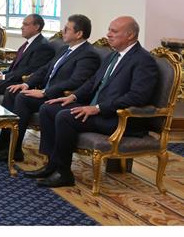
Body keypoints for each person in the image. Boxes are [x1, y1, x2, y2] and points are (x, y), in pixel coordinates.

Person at [26, 16, 158, 188]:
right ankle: (52, 165)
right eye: (109, 30)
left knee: (65, 117)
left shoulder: (143, 60)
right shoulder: (113, 55)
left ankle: (64, 174)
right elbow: (93, 81)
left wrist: (98, 108)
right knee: (48, 108)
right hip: (97, 108)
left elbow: (138, 96)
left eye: (114, 31)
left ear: (130, 35)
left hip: (116, 117)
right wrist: (73, 97)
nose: (108, 34)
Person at [0, 14, 101, 163]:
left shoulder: (88, 54)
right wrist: (26, 84)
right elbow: (44, 70)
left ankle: (14, 149)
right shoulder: (65, 49)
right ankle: (4, 142)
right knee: (13, 90)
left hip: (59, 96)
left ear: (79, 34)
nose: (62, 31)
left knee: (22, 98)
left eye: (67, 29)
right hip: (46, 91)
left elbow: (76, 82)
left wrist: (44, 92)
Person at [0, 14, 54, 99]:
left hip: (20, 81)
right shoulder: (28, 43)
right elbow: (14, 66)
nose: (22, 27)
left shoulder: (43, 46)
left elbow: (29, 70)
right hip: (12, 77)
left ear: (36, 27)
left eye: (25, 24)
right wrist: (1, 73)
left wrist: (3, 77)